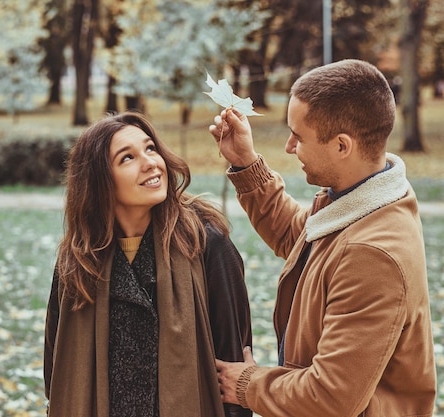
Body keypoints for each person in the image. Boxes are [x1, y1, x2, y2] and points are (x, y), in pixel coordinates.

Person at [208, 59, 436, 417]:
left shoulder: (372, 254)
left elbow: (329, 397)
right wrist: (246, 163)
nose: (288, 146)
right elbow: (300, 240)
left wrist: (246, 383)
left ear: (342, 145)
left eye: (298, 136)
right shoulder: (363, 197)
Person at [44, 111, 253, 417]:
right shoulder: (78, 260)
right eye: (127, 158)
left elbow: (233, 367)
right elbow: (57, 369)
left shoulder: (206, 243)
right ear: (100, 181)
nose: (151, 163)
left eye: (150, 148)